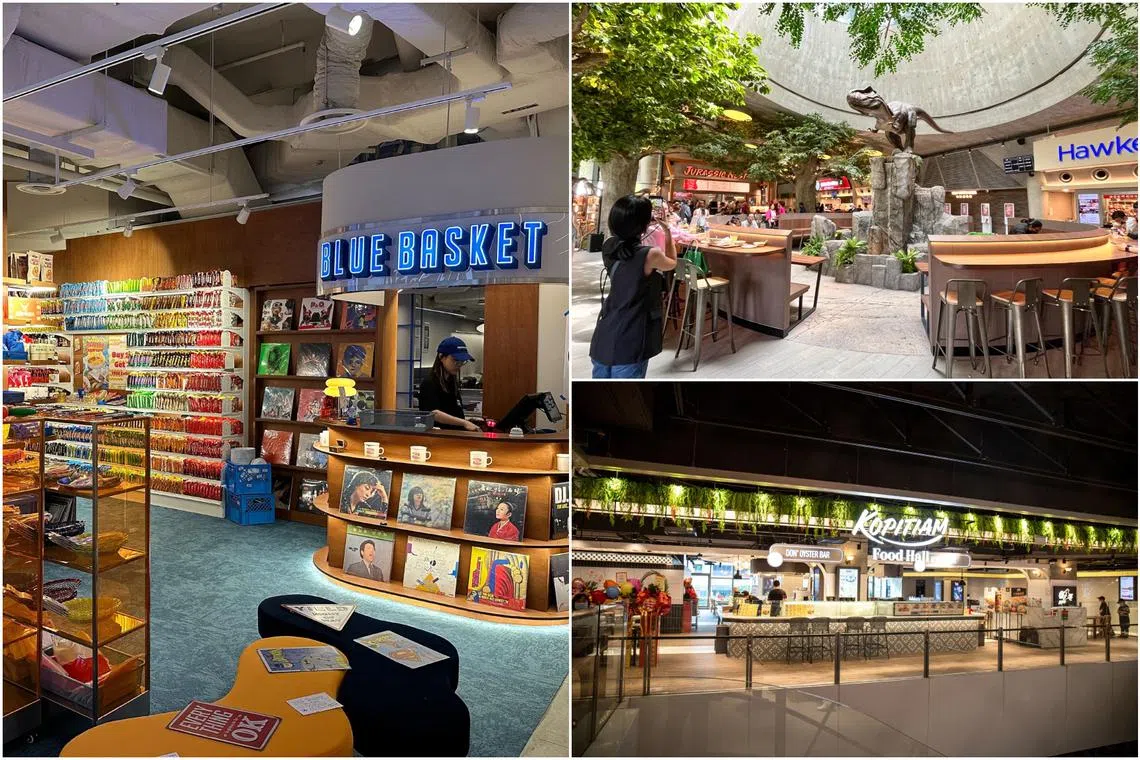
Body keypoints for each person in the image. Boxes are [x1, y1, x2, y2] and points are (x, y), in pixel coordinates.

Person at [589, 195, 678, 378]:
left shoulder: (608, 246)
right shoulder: (650, 255)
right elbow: (672, 262)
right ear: (643, 225)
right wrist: (667, 231)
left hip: (604, 334)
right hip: (631, 337)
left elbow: (628, 253)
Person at [418, 336, 480, 431]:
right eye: (455, 360)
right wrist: (464, 423)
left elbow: (453, 412)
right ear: (441, 357)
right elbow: (434, 413)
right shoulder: (429, 383)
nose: (459, 365)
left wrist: (469, 421)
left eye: (462, 362)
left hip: (456, 434)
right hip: (439, 436)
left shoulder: (451, 382)